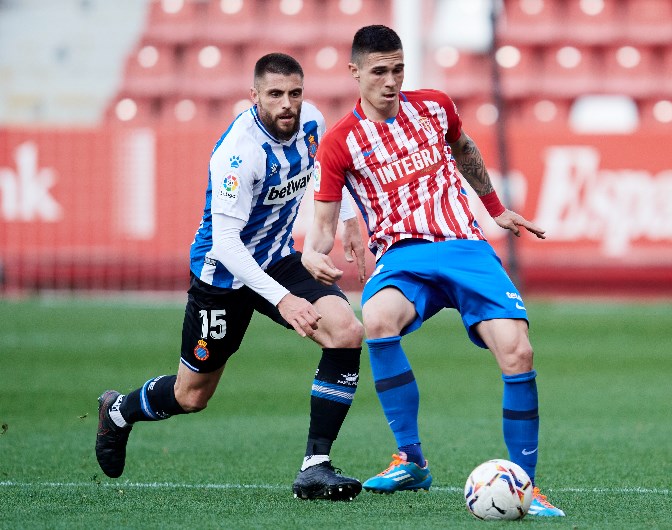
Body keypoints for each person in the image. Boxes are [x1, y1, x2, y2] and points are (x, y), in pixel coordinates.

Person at [301, 25, 565, 516]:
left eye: (398, 69)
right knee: (376, 316)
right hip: (403, 256)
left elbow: (464, 148)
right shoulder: (339, 143)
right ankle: (411, 459)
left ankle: (524, 486)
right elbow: (322, 226)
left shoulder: (435, 105)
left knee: (518, 352)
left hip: (466, 246)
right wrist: (311, 254)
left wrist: (493, 206)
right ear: (354, 72)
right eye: (379, 71)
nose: (391, 80)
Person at [96, 52, 368, 502]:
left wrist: (350, 218)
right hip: (223, 274)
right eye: (275, 95)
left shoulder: (313, 123)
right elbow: (225, 243)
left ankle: (314, 467)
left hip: (278, 258)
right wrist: (282, 300)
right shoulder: (238, 154)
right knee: (192, 396)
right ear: (254, 96)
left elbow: (332, 168)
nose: (287, 105)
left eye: (295, 94)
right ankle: (120, 411)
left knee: (346, 331)